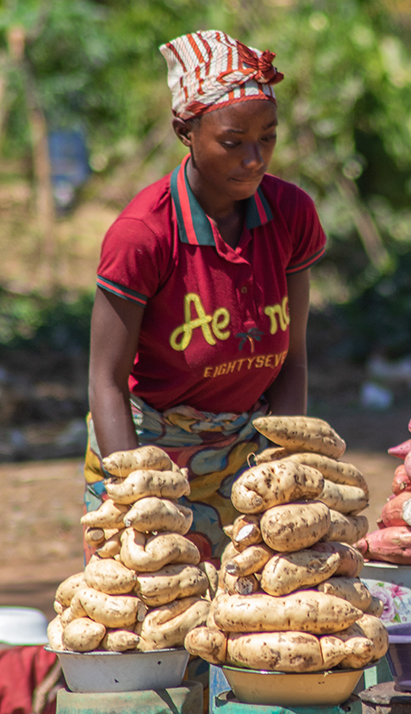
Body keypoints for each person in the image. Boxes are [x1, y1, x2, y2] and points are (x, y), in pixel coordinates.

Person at [83, 30, 327, 565]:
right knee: (149, 604)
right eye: (233, 142)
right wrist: (136, 496)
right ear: (185, 132)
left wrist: (284, 467)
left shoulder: (290, 215)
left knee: (258, 604)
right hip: (147, 449)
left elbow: (293, 358)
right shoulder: (144, 234)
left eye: (268, 137)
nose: (255, 159)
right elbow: (106, 380)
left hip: (249, 454)